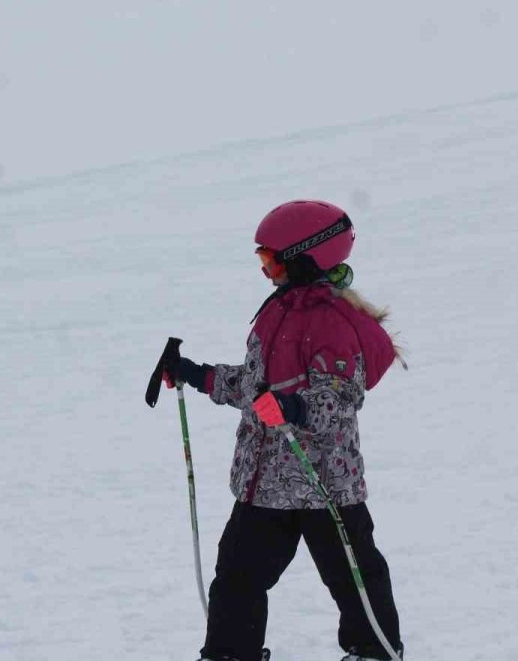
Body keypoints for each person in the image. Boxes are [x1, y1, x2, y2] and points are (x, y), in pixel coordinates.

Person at [165, 200, 406, 661]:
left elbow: (339, 399)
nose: (265, 271)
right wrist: (195, 374)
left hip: (324, 483)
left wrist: (293, 406)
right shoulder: (276, 313)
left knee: (352, 574)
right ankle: (230, 653)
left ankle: (373, 651)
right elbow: (255, 387)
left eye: (271, 260)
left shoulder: (332, 321)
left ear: (304, 258)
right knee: (237, 576)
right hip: (266, 483)